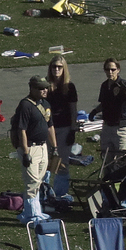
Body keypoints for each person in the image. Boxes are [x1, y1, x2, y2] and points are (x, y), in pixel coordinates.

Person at [11, 75, 57, 222]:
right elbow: (21, 130)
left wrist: (54, 146)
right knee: (32, 182)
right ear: (32, 88)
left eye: (46, 88)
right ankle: (32, 215)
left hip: (43, 146)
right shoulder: (25, 105)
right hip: (31, 148)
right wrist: (25, 152)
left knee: (39, 180)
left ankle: (34, 211)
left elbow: (50, 126)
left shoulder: (46, 104)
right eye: (40, 88)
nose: (44, 90)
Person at [90, 57, 126, 156]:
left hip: (122, 128)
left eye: (113, 69)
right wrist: (94, 111)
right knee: (107, 160)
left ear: (118, 70)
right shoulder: (104, 86)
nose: (110, 72)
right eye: (107, 69)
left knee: (123, 159)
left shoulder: (123, 83)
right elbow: (104, 103)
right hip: (107, 127)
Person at [47, 55, 78, 198]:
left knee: (63, 162)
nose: (56, 69)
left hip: (64, 127)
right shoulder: (46, 86)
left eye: (59, 67)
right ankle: (44, 192)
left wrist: (73, 130)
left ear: (64, 68)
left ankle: (60, 194)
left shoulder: (70, 87)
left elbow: (73, 110)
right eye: (54, 66)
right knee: (46, 162)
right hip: (48, 128)